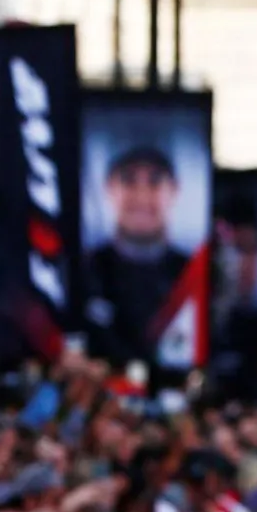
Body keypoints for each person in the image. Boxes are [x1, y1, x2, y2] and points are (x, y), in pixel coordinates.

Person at [83, 146, 194, 364]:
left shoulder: (193, 275)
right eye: (129, 181)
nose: (142, 196)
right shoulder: (84, 270)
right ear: (109, 188)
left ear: (174, 190)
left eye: (154, 182)